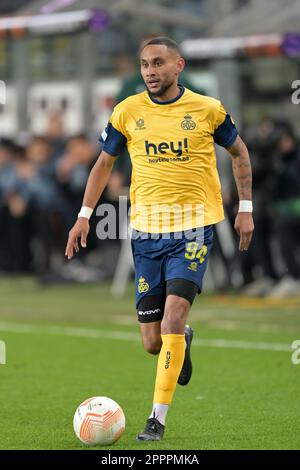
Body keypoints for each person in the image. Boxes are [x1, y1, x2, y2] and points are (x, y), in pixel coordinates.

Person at [65, 37, 254, 441]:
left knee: (172, 316)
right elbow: (103, 164)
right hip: (146, 234)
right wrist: (84, 217)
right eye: (144, 65)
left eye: (157, 63)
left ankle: (156, 419)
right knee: (154, 342)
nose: (149, 71)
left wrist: (246, 208)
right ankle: (180, 341)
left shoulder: (208, 110)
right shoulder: (127, 111)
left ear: (178, 65)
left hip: (193, 229)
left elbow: (239, 153)